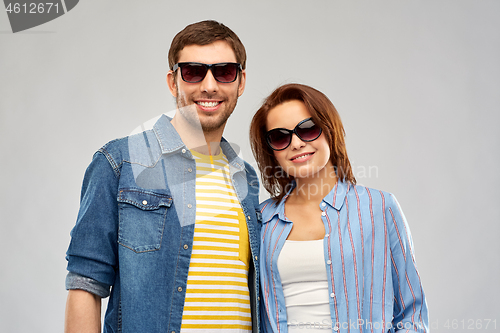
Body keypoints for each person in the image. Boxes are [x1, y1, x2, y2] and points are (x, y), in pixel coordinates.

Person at [65, 20, 261, 333]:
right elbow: (85, 282)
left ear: (240, 81)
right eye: (193, 72)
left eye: (224, 71)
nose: (209, 85)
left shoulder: (246, 178)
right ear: (173, 82)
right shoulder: (119, 162)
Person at [250, 83, 428, 333]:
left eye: (308, 129)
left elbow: (412, 315)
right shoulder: (261, 220)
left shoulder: (379, 207)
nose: (297, 143)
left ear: (330, 131)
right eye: (280, 136)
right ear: (272, 151)